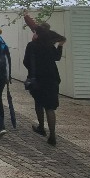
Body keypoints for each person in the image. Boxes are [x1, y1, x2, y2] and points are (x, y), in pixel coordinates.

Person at [22, 17, 67, 145]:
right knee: (50, 107)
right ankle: (52, 135)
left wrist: (32, 71)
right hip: (52, 79)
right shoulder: (50, 46)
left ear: (38, 34)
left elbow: (26, 62)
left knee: (39, 103)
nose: (33, 34)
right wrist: (60, 45)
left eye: (35, 32)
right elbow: (57, 58)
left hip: (37, 79)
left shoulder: (32, 46)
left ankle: (41, 127)